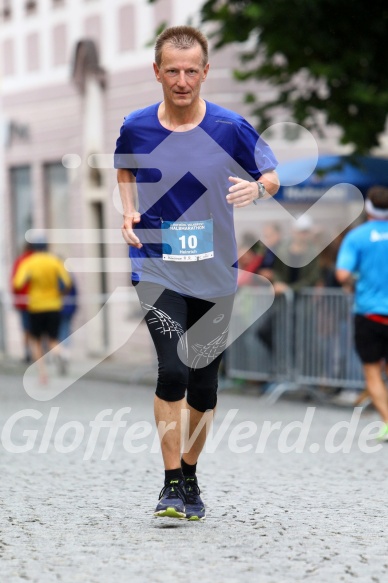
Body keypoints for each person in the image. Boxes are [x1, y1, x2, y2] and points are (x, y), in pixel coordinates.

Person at [114, 25, 279, 520]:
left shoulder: (230, 128)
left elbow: (269, 173)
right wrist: (128, 210)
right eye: (172, 71)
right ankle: (168, 487)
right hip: (157, 268)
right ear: (157, 72)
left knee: (204, 388)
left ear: (205, 72)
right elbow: (124, 166)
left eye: (191, 71)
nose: (182, 80)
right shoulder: (137, 126)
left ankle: (189, 474)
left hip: (215, 276)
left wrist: (259, 190)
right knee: (173, 370)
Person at [336, 186, 388, 441]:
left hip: (369, 313)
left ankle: (387, 422)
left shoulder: (357, 237)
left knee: (372, 371)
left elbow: (343, 274)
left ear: (368, 207)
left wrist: (355, 283)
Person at [12, 238, 71, 384]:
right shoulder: (54, 261)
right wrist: (60, 294)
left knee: (36, 341)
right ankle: (61, 353)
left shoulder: (28, 262)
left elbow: (17, 283)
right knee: (53, 339)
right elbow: (67, 282)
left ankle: (43, 374)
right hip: (54, 305)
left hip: (36, 306)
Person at [10, 242, 34, 363]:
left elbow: (15, 284)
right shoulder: (38, 260)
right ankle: (40, 353)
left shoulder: (20, 261)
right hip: (39, 302)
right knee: (38, 328)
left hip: (23, 302)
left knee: (26, 329)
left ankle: (27, 353)